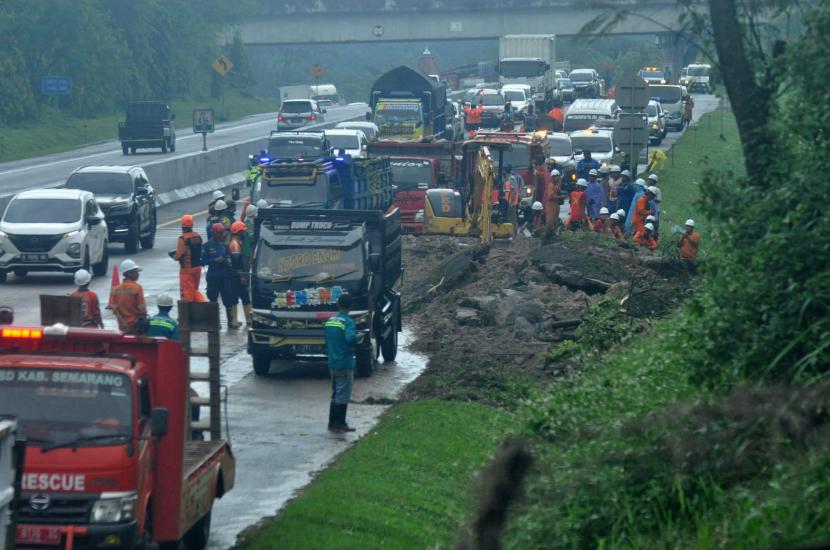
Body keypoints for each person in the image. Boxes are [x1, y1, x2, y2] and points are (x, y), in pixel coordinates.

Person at [325, 294, 359, 433]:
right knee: (343, 394)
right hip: (344, 363)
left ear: (338, 305)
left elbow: (327, 342)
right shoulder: (348, 322)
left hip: (332, 362)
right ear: (351, 307)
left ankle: (332, 423)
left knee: (335, 393)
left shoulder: (330, 321)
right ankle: (340, 423)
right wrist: (359, 337)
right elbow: (350, 339)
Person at [202, 223, 239, 329]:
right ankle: (215, 322)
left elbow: (229, 257)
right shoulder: (207, 246)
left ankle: (230, 322)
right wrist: (214, 260)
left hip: (224, 276)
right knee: (213, 299)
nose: (221, 235)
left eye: (222, 233)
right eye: (219, 233)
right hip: (213, 276)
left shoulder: (224, 245)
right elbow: (203, 261)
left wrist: (227, 261)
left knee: (228, 299)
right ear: (214, 233)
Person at [170, 215, 206, 303]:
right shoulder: (198, 237)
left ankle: (191, 311)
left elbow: (179, 255)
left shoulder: (183, 239)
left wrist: (172, 255)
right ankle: (199, 308)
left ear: (182, 225)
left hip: (187, 270)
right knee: (194, 290)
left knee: (187, 294)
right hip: (197, 268)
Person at [111, 259, 148, 334]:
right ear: (130, 273)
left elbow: (115, 310)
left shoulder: (116, 289)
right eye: (136, 272)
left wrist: (123, 324)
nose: (138, 274)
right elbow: (142, 308)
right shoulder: (137, 288)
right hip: (136, 325)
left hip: (122, 326)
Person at [229, 221, 252, 326]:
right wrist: (242, 276)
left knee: (244, 296)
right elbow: (236, 263)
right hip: (236, 275)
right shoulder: (235, 245)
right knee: (236, 297)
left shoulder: (238, 243)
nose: (244, 234)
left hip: (238, 275)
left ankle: (248, 319)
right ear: (238, 232)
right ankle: (235, 321)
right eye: (243, 232)